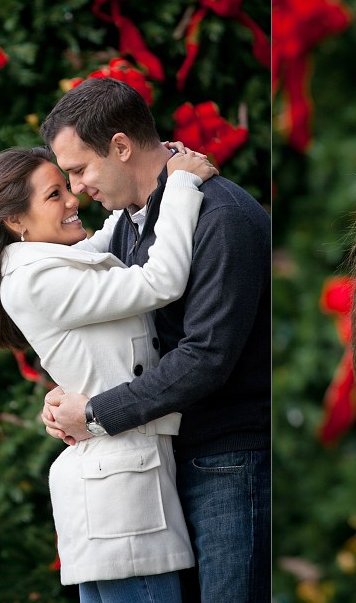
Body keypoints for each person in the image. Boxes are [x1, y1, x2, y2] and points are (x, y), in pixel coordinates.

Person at [36, 77, 271, 602]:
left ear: (120, 147)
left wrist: (95, 412)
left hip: (231, 460)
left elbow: (205, 357)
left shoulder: (221, 216)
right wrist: (68, 396)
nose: (76, 189)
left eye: (79, 170)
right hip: (172, 459)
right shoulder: (128, 222)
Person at [0, 143, 217, 601]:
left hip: (117, 491)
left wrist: (145, 182)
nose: (73, 198)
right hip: (121, 503)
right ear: (17, 221)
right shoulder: (38, 279)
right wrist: (183, 184)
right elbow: (159, 282)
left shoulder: (49, 262)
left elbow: (110, 234)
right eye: (54, 195)